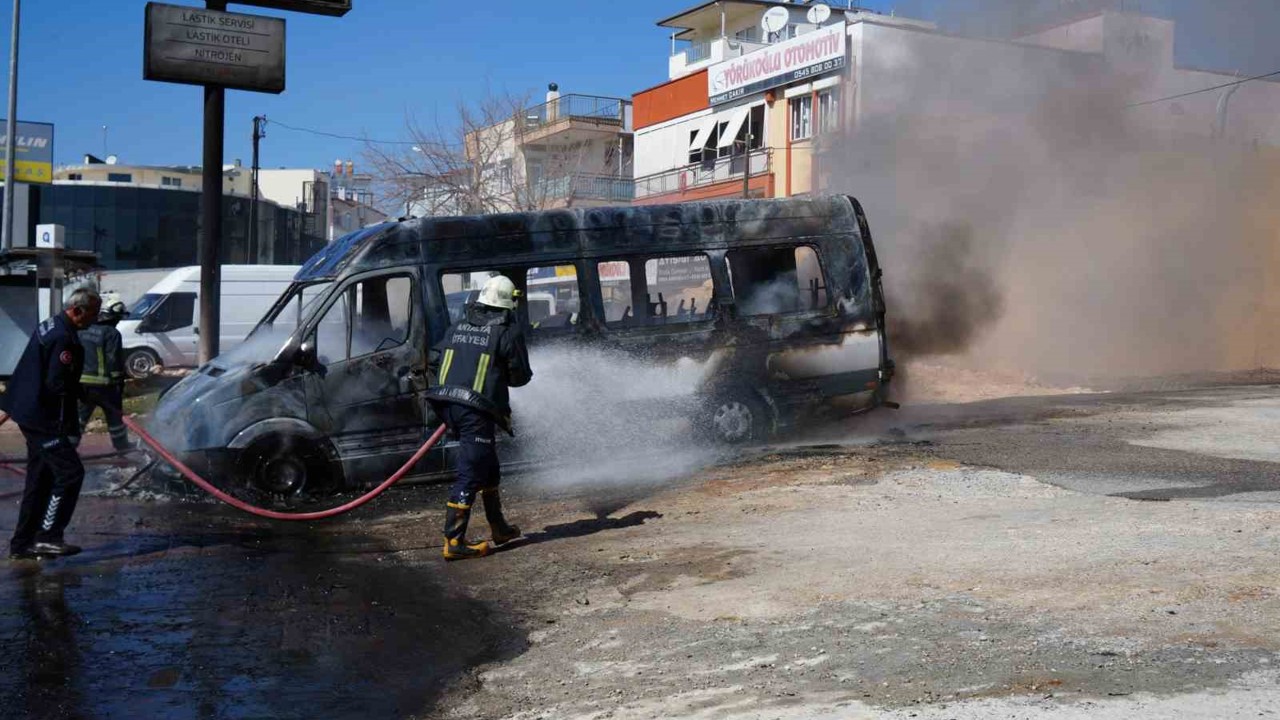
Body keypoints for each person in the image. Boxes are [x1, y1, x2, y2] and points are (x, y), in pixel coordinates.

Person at [426, 275, 532, 561]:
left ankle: (499, 528)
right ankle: (454, 542)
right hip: (474, 409)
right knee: (471, 470)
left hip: (446, 403)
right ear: (509, 303)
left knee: (487, 465)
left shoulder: (458, 324)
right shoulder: (506, 331)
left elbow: (435, 358)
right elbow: (520, 377)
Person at [2, 288, 101, 560]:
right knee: (70, 473)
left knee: (40, 479)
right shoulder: (63, 338)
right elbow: (57, 384)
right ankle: (48, 537)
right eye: (93, 312)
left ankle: (22, 544)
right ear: (77, 310)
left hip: (29, 411)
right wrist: (80, 394)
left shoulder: (52, 325)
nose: (95, 318)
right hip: (44, 418)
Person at [78, 300, 132, 452]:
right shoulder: (112, 333)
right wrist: (119, 384)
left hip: (82, 386)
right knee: (115, 419)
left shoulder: (82, 330)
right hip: (105, 386)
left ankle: (68, 449)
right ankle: (122, 447)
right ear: (112, 317)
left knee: (79, 420)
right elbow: (113, 361)